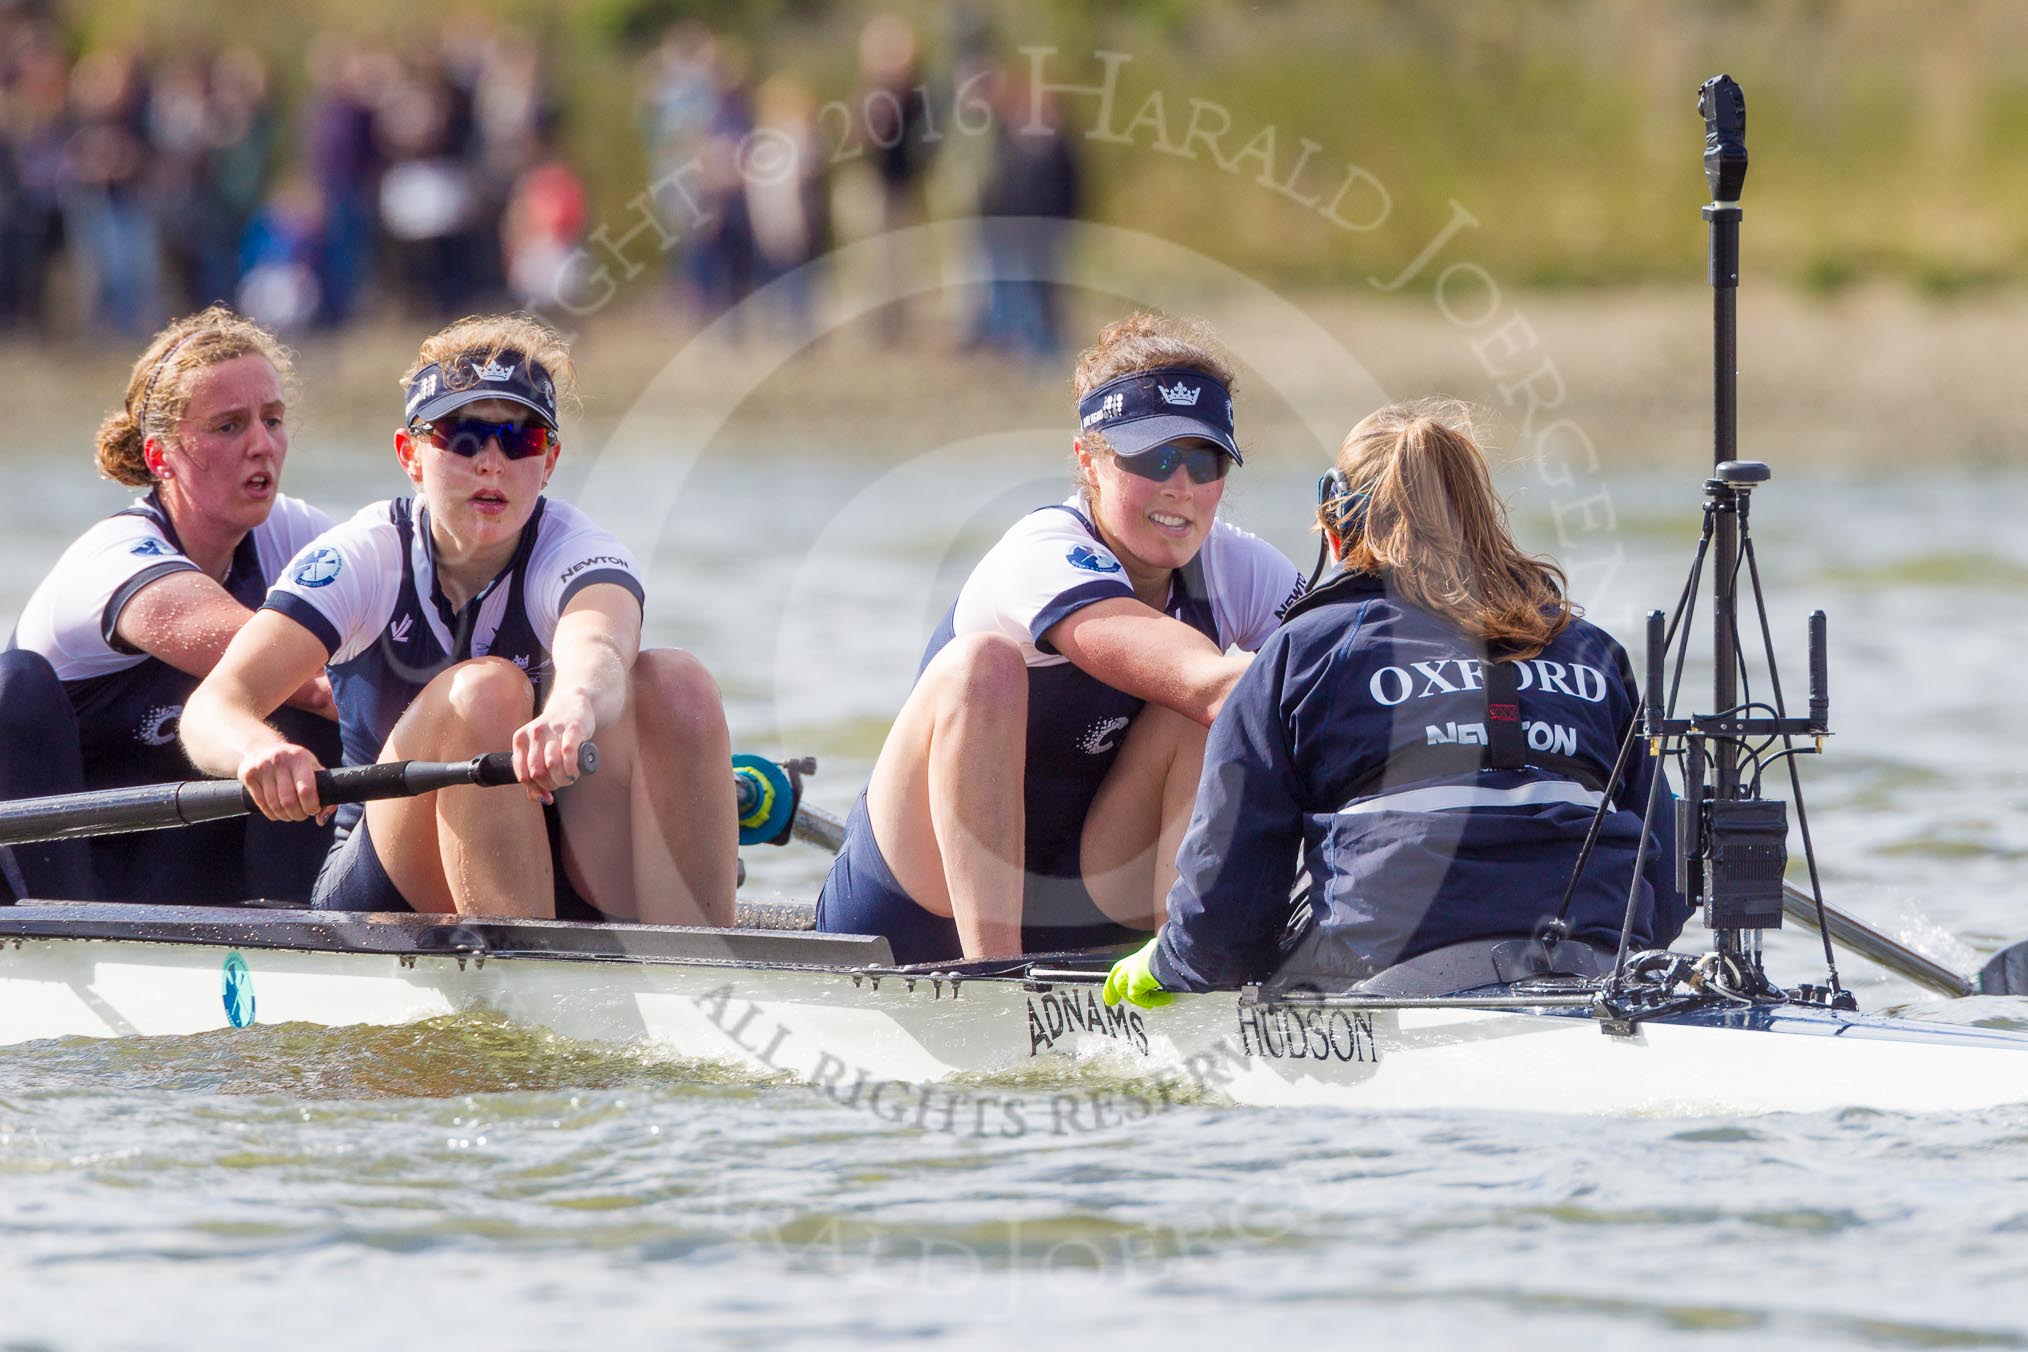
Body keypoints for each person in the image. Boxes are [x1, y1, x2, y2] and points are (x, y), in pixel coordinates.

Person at [1105, 402, 1690, 1007]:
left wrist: (1175, 962)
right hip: (1596, 967)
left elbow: (1230, 901)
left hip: (1392, 978)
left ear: (1335, 518)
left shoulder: (1304, 651)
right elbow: (1668, 884)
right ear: (1481, 513)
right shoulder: (1593, 651)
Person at [179, 315, 737, 925]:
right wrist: (258, 750)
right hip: (385, 885)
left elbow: (599, 643)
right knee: (484, 693)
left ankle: (700, 959)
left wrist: (575, 703)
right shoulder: (361, 558)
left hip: (562, 867)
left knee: (679, 683)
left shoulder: (577, 550)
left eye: (520, 439)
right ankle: (527, 972)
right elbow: (214, 707)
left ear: (550, 461)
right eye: (462, 436)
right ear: (411, 455)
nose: (491, 463)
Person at [817, 314, 1306, 963]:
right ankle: (995, 978)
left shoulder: (1237, 565)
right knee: (984, 665)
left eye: (1204, 459)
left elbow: (1354, 660)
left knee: (1207, 711)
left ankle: (1192, 968)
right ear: (1089, 461)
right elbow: (1212, 683)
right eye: (1153, 457)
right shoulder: (1041, 553)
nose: (1181, 486)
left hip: (1085, 902)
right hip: (908, 914)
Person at [1, 305, 338, 904]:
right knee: (14, 682)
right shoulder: (115, 557)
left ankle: (285, 923)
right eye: (229, 426)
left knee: (311, 707)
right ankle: (63, 931)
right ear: (160, 457)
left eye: (272, 419)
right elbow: (317, 683)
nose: (262, 445)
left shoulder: (294, 535)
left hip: (174, 855)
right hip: (50, 864)